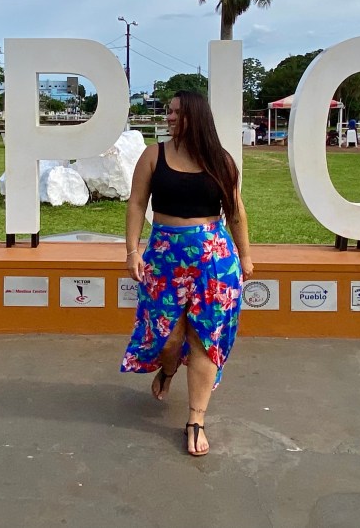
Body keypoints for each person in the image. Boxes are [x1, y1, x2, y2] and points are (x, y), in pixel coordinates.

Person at [120, 90, 254, 457]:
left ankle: (196, 419)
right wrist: (131, 250)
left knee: (203, 338)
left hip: (214, 259)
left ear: (196, 116)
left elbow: (236, 211)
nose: (170, 117)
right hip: (164, 258)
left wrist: (245, 256)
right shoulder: (154, 155)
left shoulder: (221, 161)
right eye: (169, 111)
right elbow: (137, 203)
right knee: (168, 337)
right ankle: (167, 369)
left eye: (177, 112)